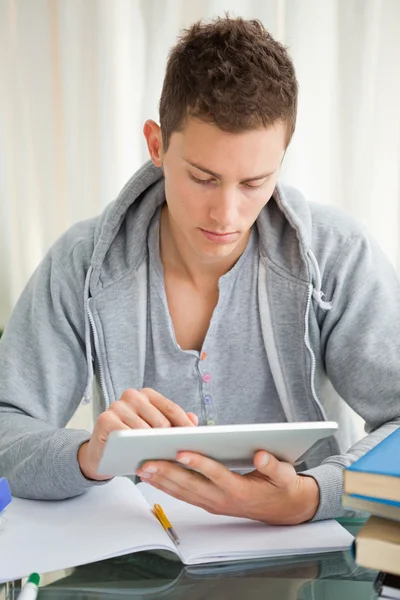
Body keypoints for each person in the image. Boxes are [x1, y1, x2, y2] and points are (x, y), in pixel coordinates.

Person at [0, 16, 399, 526]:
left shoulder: (339, 254)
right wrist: (89, 456)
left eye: (255, 181)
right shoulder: (80, 264)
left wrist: (312, 495)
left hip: (306, 564)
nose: (226, 215)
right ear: (156, 145)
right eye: (203, 178)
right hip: (139, 561)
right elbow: (7, 429)